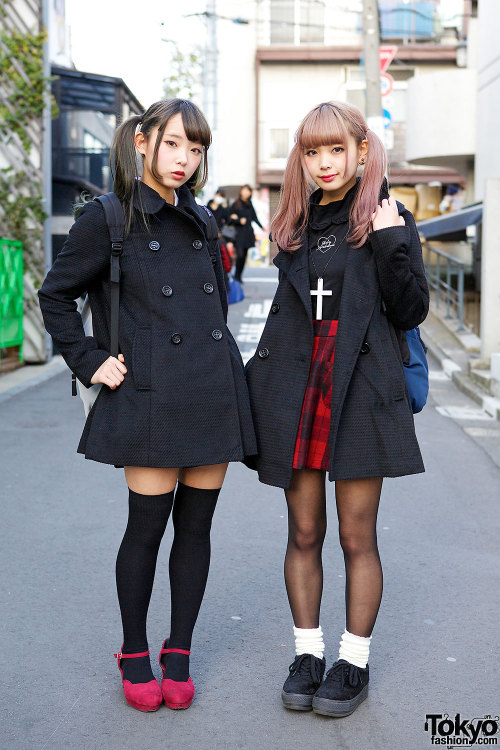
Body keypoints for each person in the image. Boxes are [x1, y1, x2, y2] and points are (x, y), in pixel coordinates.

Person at [38, 98, 256, 713]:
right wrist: (89, 361)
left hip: (210, 390)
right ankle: (134, 649)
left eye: (195, 148)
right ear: (142, 141)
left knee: (196, 529)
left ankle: (179, 649)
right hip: (151, 395)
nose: (184, 159)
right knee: (146, 528)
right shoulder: (107, 218)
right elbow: (55, 297)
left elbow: (213, 311)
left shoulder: (206, 222)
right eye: (172, 144)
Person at [244, 101, 429, 718]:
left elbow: (409, 312)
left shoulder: (385, 214)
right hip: (300, 385)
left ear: (360, 151)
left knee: (356, 535)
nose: (325, 163)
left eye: (336, 150)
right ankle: (307, 654)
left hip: (361, 384)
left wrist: (391, 242)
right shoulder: (293, 224)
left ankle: (353, 661)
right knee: (303, 530)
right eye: (312, 151)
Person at [229, 185, 263, 282]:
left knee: (244, 257)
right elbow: (229, 219)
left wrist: (262, 227)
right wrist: (239, 220)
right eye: (245, 190)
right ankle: (236, 275)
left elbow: (254, 217)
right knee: (239, 255)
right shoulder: (236, 204)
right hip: (238, 234)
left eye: (248, 191)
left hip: (248, 234)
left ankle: (239, 276)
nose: (246, 193)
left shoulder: (249, 204)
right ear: (241, 191)